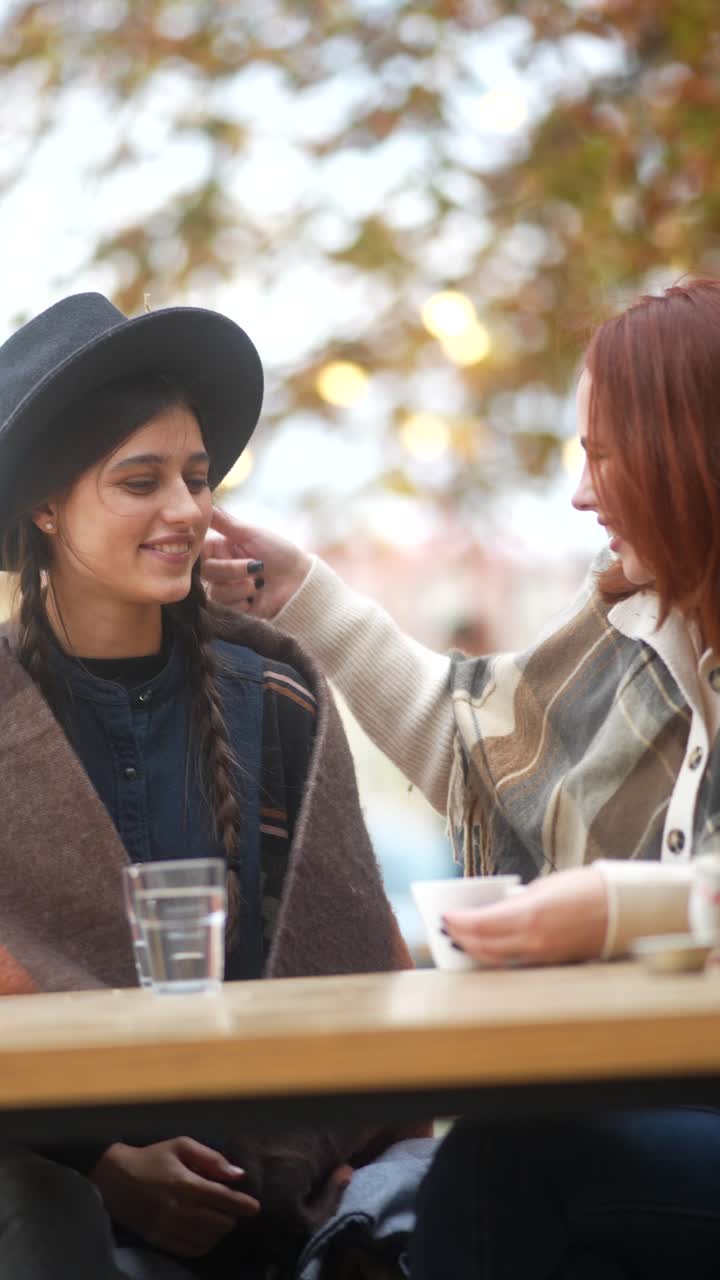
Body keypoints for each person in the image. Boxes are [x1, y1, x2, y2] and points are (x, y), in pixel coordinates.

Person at [202, 278, 720, 1276]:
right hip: (660, 1103)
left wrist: (612, 907)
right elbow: (481, 754)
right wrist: (301, 591)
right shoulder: (643, 628)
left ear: (689, 448)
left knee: (501, 1161)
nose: (580, 491)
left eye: (602, 454)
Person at [0, 292, 421, 1280]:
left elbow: (353, 961)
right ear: (47, 506)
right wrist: (102, 1159)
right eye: (140, 481)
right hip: (70, 1204)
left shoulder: (273, 691)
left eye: (195, 477)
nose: (188, 510)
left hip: (294, 1191)